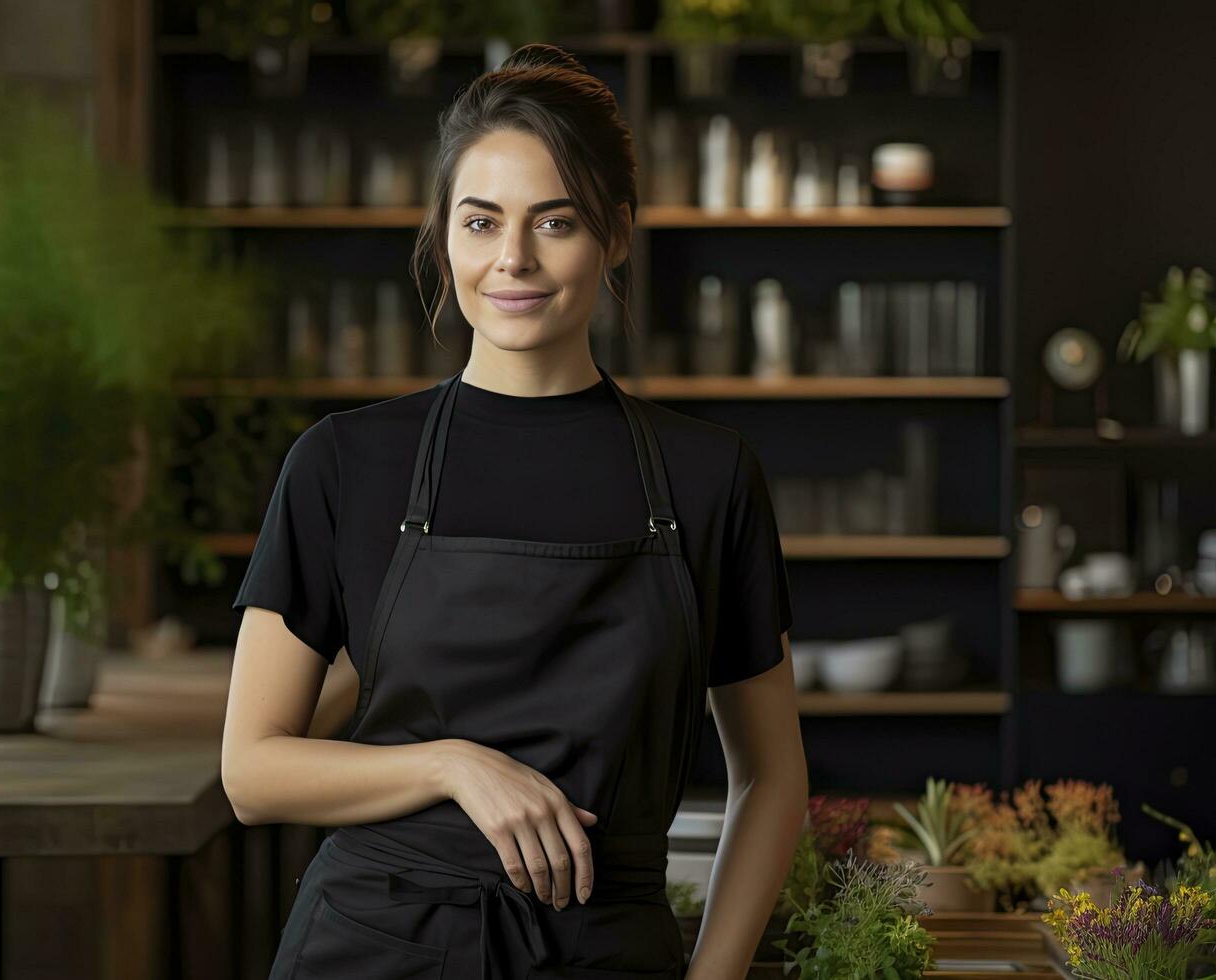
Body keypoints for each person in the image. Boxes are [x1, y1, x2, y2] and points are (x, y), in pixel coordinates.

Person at [222, 42, 808, 980]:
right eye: (482, 221)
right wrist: (453, 765)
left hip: (606, 951)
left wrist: (715, 975)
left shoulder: (710, 478)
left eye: (556, 221)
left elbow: (772, 778)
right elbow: (251, 773)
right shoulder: (345, 463)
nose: (514, 260)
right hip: (372, 946)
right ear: (444, 235)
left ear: (615, 235)